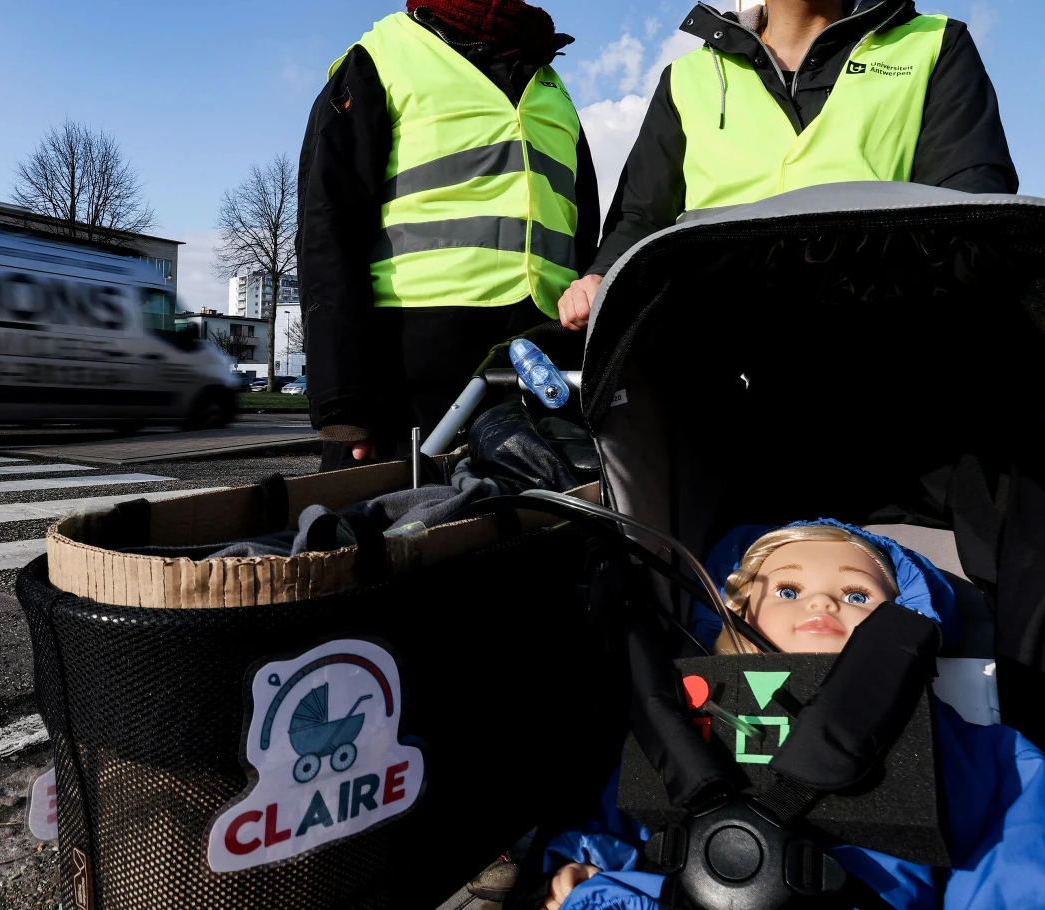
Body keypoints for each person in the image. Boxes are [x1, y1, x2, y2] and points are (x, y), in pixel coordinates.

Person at [540, 521, 1045, 910]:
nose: (823, 601)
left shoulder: (967, 745)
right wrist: (584, 867)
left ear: (906, 621)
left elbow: (1015, 865)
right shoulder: (681, 714)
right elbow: (618, 824)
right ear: (734, 612)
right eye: (787, 590)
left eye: (857, 595)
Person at [557, 0, 1018, 332]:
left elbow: (971, 217)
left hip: (886, 361)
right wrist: (601, 276)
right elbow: (641, 217)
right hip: (714, 369)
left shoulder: (934, 45)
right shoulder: (686, 79)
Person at [297, 0, 601, 472]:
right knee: (393, 532)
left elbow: (582, 226)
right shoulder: (381, 57)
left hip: (540, 359)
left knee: (537, 533)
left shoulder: (549, 85)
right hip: (408, 376)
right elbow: (328, 227)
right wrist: (344, 402)